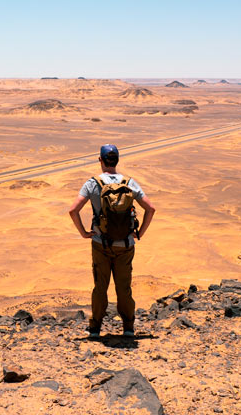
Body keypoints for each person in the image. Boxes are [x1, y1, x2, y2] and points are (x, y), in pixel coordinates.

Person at [68, 144, 156, 338]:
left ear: (100, 160)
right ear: (117, 161)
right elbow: (151, 208)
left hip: (101, 244)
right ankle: (128, 328)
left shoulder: (92, 183)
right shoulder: (129, 182)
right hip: (125, 245)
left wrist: (84, 232)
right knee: (123, 287)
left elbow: (73, 210)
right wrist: (139, 233)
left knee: (100, 286)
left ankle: (95, 329)